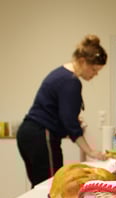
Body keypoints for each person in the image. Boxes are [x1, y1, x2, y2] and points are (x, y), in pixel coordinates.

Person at [17, 34, 107, 188]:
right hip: (41, 135)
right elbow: (69, 122)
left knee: (41, 185)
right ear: (82, 61)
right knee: (52, 186)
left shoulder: (62, 74)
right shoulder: (70, 81)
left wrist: (70, 121)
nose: (95, 74)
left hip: (30, 134)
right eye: (94, 69)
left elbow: (61, 113)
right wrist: (90, 152)